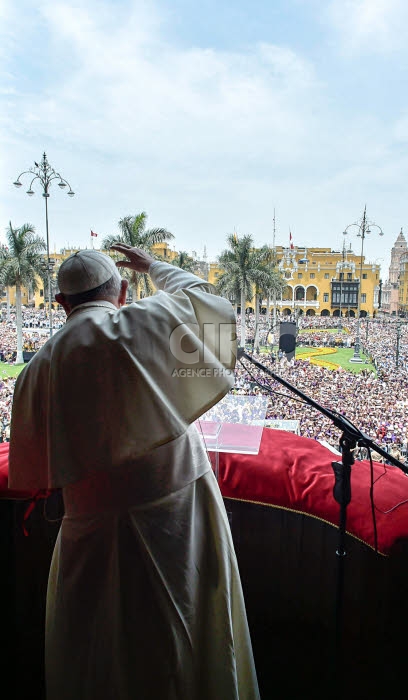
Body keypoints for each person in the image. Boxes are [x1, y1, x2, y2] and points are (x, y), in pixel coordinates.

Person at [8, 245, 260, 700]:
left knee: (98, 652)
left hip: (90, 533)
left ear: (62, 304)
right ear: (123, 291)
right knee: (188, 637)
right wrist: (154, 267)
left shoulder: (36, 371)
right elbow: (215, 309)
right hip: (180, 522)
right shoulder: (148, 321)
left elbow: (36, 474)